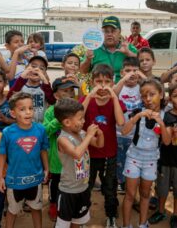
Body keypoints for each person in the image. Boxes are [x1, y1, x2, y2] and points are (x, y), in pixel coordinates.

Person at [120, 79, 171, 228]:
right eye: (143, 96)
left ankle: (143, 223)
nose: (148, 99)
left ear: (161, 94)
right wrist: (137, 116)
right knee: (130, 195)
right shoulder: (137, 112)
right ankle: (126, 225)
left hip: (151, 160)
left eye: (152, 94)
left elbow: (167, 141)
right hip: (133, 158)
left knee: (145, 194)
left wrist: (160, 122)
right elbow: (124, 131)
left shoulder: (165, 115)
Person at [80, 64, 126, 228]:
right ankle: (82, 217)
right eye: (98, 81)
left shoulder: (115, 101)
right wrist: (89, 96)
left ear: (113, 83)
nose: (102, 85)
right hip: (88, 153)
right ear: (92, 82)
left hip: (109, 154)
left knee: (110, 187)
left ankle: (111, 216)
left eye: (107, 81)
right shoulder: (87, 100)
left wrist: (113, 97)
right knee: (86, 186)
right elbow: (78, 115)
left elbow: (121, 122)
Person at [0, 92, 49, 228]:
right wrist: (0, 177)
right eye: (22, 109)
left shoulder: (40, 129)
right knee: (12, 210)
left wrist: (46, 169)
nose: (28, 112)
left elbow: (43, 150)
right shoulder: (8, 132)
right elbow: (2, 154)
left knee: (36, 208)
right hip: (14, 181)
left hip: (35, 178)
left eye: (31, 108)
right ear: (13, 113)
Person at [148, 81, 177, 227]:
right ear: (170, 99)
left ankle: (175, 215)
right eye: (176, 96)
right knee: (161, 190)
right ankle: (161, 211)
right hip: (165, 160)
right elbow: (164, 139)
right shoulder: (166, 116)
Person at [54, 98, 104, 228]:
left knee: (78, 221)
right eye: (80, 118)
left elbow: (99, 144)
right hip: (68, 191)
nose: (84, 121)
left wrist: (100, 133)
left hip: (83, 188)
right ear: (67, 122)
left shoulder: (81, 133)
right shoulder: (62, 139)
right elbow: (77, 153)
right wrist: (88, 136)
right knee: (63, 224)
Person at [43, 76, 79, 221]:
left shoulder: (76, 110)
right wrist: (59, 119)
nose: (69, 93)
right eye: (65, 91)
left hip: (72, 157)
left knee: (70, 182)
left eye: (71, 90)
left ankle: (70, 206)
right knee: (55, 183)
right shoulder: (50, 111)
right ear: (56, 94)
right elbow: (45, 131)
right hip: (56, 159)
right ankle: (52, 204)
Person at [113, 57, 144, 192]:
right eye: (128, 71)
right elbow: (113, 94)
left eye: (135, 71)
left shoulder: (142, 88)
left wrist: (141, 76)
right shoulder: (119, 87)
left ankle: (130, 184)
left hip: (137, 134)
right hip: (118, 133)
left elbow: (154, 86)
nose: (131, 74)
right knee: (119, 161)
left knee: (133, 161)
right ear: (121, 73)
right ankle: (120, 182)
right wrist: (123, 80)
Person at [80, 16, 138, 82]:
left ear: (119, 32)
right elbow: (83, 71)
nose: (109, 34)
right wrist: (88, 59)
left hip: (124, 90)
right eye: (106, 31)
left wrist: (128, 53)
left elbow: (143, 64)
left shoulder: (128, 47)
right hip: (100, 89)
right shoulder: (94, 48)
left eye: (113, 31)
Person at [7, 56, 55, 123]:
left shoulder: (45, 87)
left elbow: (52, 101)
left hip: (40, 125)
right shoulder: (20, 84)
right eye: (33, 66)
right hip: (23, 124)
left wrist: (44, 79)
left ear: (44, 73)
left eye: (41, 68)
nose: (37, 69)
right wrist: (22, 77)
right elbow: (9, 97)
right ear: (26, 68)